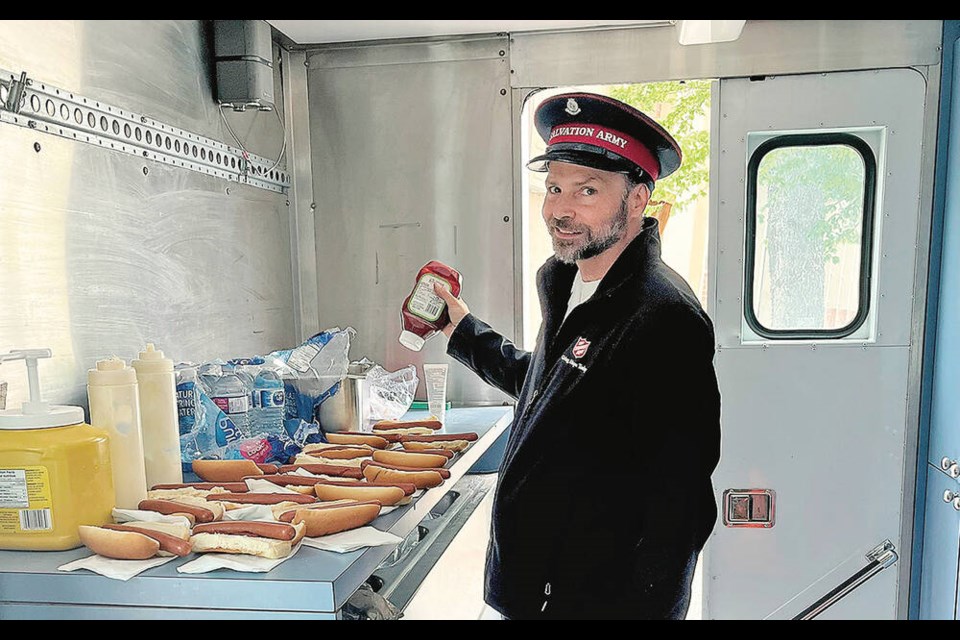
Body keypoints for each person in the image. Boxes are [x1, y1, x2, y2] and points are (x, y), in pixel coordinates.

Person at [430, 92, 721, 620]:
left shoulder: (661, 316)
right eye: (554, 188)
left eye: (588, 190)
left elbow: (680, 504)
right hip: (531, 586)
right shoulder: (570, 283)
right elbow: (549, 390)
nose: (560, 209)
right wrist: (462, 330)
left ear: (636, 201)